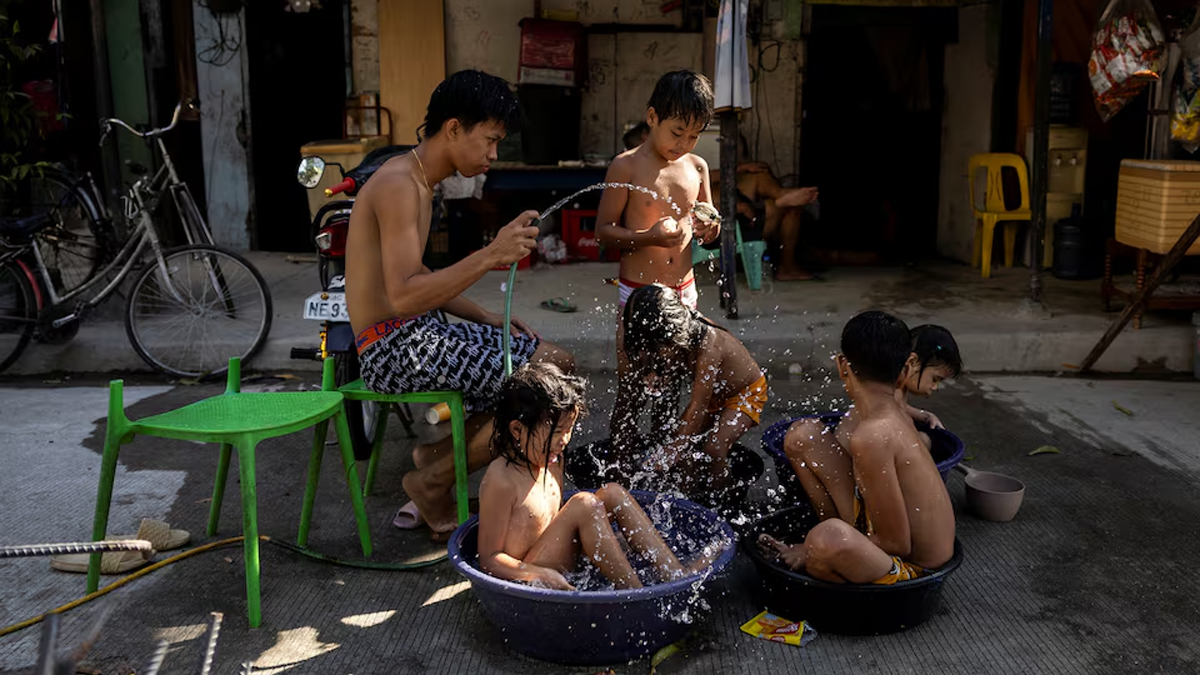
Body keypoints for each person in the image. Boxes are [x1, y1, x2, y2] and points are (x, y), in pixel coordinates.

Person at [345, 70, 575, 541]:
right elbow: (404, 295)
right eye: (490, 140)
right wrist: (491, 255)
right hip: (390, 348)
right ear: (453, 128)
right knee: (539, 391)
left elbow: (418, 275)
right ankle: (433, 481)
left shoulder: (419, 180)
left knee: (555, 360)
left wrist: (486, 317)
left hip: (416, 333)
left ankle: (438, 459)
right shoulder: (399, 184)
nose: (494, 154)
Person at [477, 363, 723, 590]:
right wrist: (538, 574)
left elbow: (555, 526)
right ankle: (637, 594)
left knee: (612, 493)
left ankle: (675, 574)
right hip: (529, 580)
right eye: (558, 432)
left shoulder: (552, 461)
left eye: (569, 430)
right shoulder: (501, 480)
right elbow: (489, 560)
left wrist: (607, 539)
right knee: (584, 504)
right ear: (517, 429)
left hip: (555, 559)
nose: (564, 441)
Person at [761, 311, 955, 584]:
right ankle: (837, 537)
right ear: (906, 368)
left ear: (842, 366)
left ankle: (830, 546)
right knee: (803, 435)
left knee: (824, 541)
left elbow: (897, 544)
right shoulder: (888, 415)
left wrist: (808, 549)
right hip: (890, 542)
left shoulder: (874, 434)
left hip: (913, 567)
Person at [595, 70, 721, 456]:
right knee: (632, 386)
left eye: (693, 136)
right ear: (652, 117)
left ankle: (663, 462)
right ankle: (620, 465)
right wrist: (648, 237)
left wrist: (710, 228)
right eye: (677, 132)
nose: (683, 144)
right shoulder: (627, 166)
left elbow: (709, 222)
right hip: (639, 295)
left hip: (683, 293)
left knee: (673, 385)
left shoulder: (697, 167)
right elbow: (603, 232)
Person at [781, 322, 961, 520]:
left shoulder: (889, 389)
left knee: (922, 440)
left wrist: (923, 415)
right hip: (851, 479)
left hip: (845, 470)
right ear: (911, 363)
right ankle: (839, 522)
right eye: (935, 379)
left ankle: (833, 521)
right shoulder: (892, 395)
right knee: (923, 441)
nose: (935, 387)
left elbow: (900, 409)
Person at [622, 284, 766, 493]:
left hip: (745, 392)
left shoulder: (709, 343)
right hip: (713, 397)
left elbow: (699, 405)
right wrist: (657, 373)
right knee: (684, 449)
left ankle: (723, 498)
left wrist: (676, 447)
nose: (658, 354)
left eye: (659, 347)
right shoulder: (678, 338)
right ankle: (688, 496)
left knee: (713, 449)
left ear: (674, 332)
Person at [713, 134, 819, 281]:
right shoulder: (695, 177)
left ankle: (781, 195)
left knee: (760, 176)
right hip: (727, 231)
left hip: (748, 220)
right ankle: (781, 199)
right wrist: (737, 207)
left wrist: (743, 168)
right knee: (784, 204)